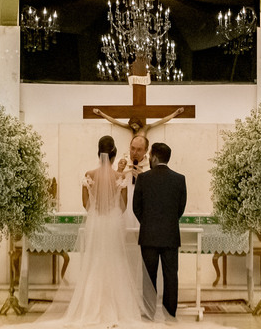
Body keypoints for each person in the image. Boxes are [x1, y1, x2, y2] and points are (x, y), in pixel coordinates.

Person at [35, 135, 159, 329]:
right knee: (115, 261)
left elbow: (86, 204)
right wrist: (110, 210)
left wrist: (98, 210)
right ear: (114, 154)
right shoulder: (119, 177)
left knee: (95, 263)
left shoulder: (89, 174)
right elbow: (124, 206)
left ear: (98, 152)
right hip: (112, 225)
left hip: (96, 223)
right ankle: (119, 309)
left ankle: (90, 308)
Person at [132, 141, 186, 320]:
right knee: (171, 275)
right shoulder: (179, 179)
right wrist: (169, 223)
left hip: (149, 236)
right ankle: (170, 313)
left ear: (154, 157)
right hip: (170, 235)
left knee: (149, 277)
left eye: (149, 156)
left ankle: (149, 312)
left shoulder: (143, 178)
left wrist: (147, 223)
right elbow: (180, 208)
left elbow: (136, 207)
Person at [118, 135, 149, 230]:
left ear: (146, 150)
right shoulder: (119, 163)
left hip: (142, 209)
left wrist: (144, 180)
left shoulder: (150, 167)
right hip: (123, 207)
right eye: (132, 148)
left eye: (139, 150)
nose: (134, 152)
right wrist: (118, 172)